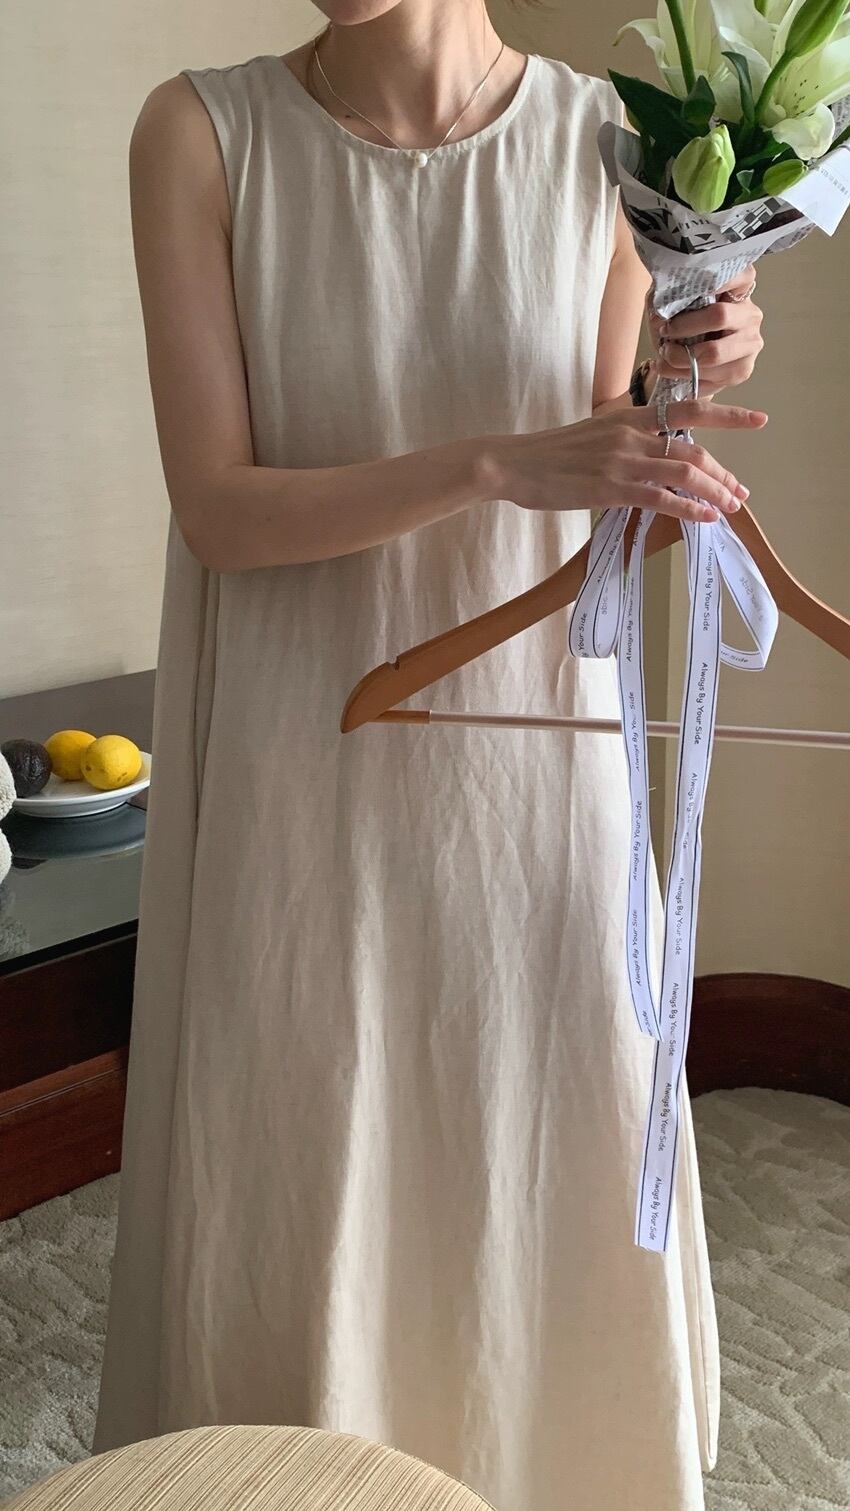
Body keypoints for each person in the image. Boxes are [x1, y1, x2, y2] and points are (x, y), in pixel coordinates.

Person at [93, 3, 766, 1507]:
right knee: (308, 1129)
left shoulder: (607, 142)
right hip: (300, 740)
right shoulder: (199, 133)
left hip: (525, 737)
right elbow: (220, 511)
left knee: (532, 1109)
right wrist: (494, 461)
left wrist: (683, 378)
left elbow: (607, 483)